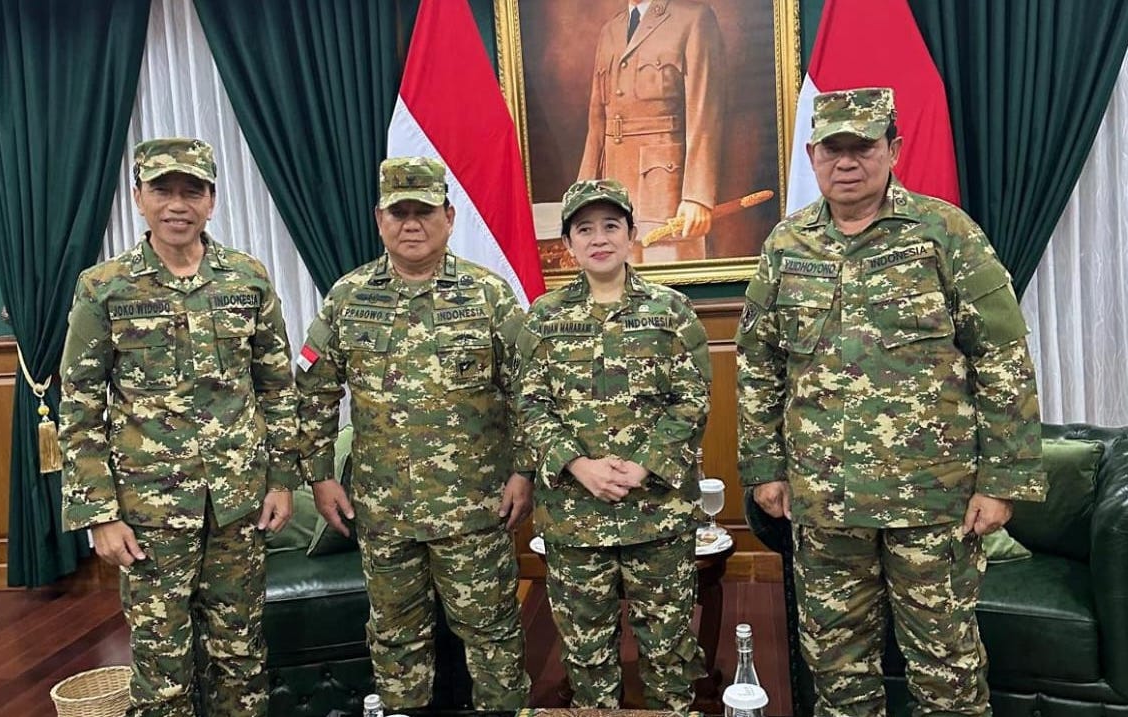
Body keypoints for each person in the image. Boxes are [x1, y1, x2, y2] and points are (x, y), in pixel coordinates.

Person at [736, 87, 1046, 717]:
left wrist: (1002, 480)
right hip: (825, 504)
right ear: (813, 156)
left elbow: (1003, 356)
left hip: (932, 501)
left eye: (863, 147)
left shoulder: (945, 233)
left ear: (893, 150)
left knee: (946, 666)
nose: (847, 162)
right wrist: (764, 470)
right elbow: (758, 364)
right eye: (832, 149)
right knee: (836, 666)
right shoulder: (786, 247)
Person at [60, 137, 300, 716]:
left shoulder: (246, 279)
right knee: (162, 665)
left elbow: (276, 387)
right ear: (139, 198)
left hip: (238, 505)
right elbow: (80, 400)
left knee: (240, 655)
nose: (177, 204)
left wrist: (281, 480)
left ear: (211, 200)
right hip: (150, 512)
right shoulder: (105, 286)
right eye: (162, 189)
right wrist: (100, 514)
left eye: (191, 190)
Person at [296, 157, 531, 710]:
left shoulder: (488, 296)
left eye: (423, 211)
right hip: (383, 512)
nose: (411, 224)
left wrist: (524, 470)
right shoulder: (348, 298)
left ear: (448, 216)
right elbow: (314, 394)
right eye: (399, 212)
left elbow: (528, 391)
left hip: (477, 510)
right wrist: (321, 477)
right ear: (380, 219)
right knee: (396, 641)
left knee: (493, 637)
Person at [517, 178, 711, 710]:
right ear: (570, 243)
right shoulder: (544, 316)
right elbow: (529, 406)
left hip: (658, 514)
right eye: (585, 229)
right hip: (575, 518)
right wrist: (577, 465)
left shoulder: (670, 311)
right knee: (586, 655)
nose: (599, 238)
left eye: (610, 226)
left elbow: (693, 398)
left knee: (670, 652)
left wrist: (645, 466)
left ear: (630, 235)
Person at [578, 0, 725, 263]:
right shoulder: (611, 30)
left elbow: (705, 114)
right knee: (620, 289)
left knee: (669, 287)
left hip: (665, 190)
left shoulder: (692, 20)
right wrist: (582, 193)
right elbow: (596, 124)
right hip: (613, 192)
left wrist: (697, 196)